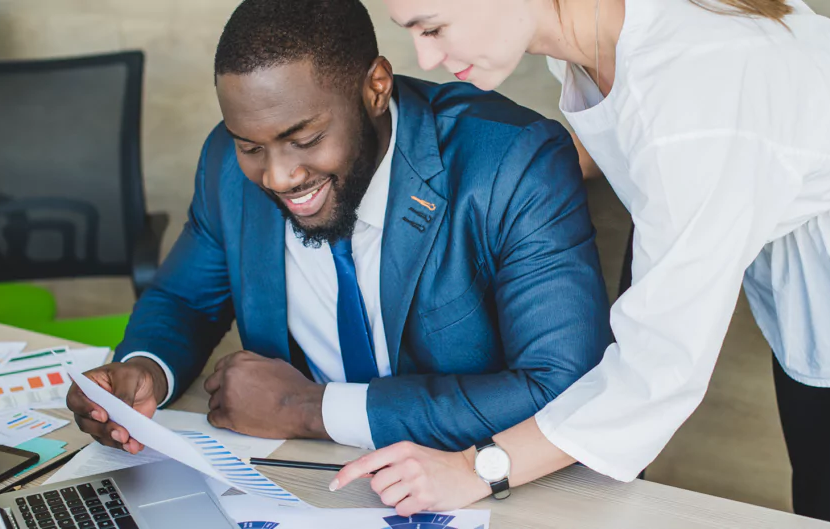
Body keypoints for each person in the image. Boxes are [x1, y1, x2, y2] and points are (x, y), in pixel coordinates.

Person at [334, 1, 830, 527]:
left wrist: (477, 468)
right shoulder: (597, 28)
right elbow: (625, 134)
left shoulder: (691, 108)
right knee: (815, 505)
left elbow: (658, 371)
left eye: (433, 26)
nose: (424, 58)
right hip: (806, 281)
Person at [65, 0, 611, 458]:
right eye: (251, 145)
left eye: (303, 138)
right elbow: (185, 300)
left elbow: (562, 386)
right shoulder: (226, 164)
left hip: (479, 479)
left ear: (375, 88)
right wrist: (144, 371)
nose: (277, 175)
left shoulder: (513, 162)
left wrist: (309, 409)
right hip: (302, 478)